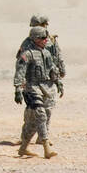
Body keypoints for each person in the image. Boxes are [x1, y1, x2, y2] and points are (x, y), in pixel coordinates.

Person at [16, 15, 65, 142]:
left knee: (48, 108)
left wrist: (60, 74)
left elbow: (58, 56)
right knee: (33, 112)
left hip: (49, 79)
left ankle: (43, 137)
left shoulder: (51, 40)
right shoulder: (28, 43)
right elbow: (22, 63)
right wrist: (20, 85)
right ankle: (26, 138)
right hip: (33, 81)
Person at [14, 27, 59, 158]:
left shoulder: (46, 53)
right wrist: (17, 88)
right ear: (35, 39)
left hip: (46, 87)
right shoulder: (27, 54)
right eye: (42, 38)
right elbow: (20, 71)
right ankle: (46, 148)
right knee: (41, 115)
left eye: (46, 38)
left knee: (33, 122)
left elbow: (51, 69)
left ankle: (23, 148)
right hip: (31, 87)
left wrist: (58, 82)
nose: (46, 40)